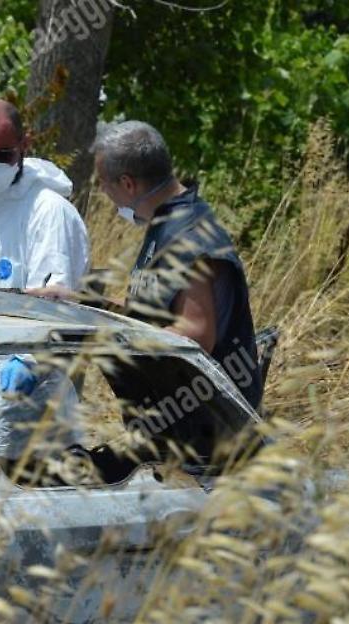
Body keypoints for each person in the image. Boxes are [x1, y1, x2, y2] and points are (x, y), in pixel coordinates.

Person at [90, 120, 263, 410]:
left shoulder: (191, 235)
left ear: (128, 184)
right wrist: (87, 308)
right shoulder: (166, 223)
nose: (106, 197)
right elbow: (156, 311)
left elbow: (195, 334)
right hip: (172, 417)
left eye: (104, 186)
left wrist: (116, 338)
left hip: (207, 426)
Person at [0, 99, 90, 461]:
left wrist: (28, 362)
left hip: (36, 410)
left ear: (24, 145)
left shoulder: (48, 211)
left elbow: (55, 306)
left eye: (1, 154)